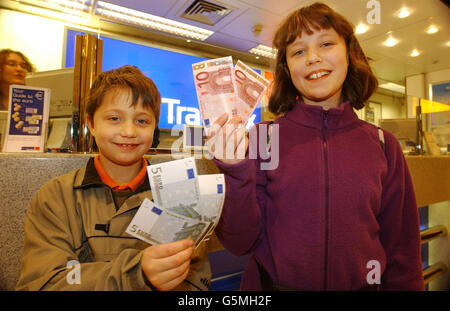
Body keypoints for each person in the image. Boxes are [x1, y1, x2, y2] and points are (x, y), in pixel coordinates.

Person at [209, 3, 424, 290]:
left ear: (349, 54)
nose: (313, 58)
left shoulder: (384, 145)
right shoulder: (263, 138)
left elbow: (403, 252)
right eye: (298, 51)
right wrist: (235, 171)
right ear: (287, 69)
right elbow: (239, 243)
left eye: (325, 44)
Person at [16, 65, 211, 291]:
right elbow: (44, 283)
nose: (129, 131)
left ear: (154, 127)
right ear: (90, 124)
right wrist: (137, 275)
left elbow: (197, 282)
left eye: (142, 121)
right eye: (114, 118)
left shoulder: (179, 195)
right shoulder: (56, 197)